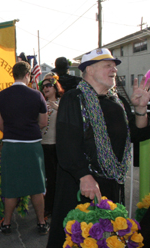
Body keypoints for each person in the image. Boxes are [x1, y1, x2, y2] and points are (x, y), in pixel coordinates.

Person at [47, 48, 150, 247]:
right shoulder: (74, 98)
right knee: (79, 237)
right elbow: (67, 144)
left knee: (106, 238)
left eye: (115, 66)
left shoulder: (116, 101)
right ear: (89, 70)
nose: (114, 69)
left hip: (110, 184)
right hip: (81, 186)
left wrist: (139, 111)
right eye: (108, 65)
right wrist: (84, 176)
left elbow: (136, 134)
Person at [0, 61, 49, 235]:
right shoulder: (37, 95)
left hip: (11, 145)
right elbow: (43, 122)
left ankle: (7, 223)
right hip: (32, 146)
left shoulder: (0, 96)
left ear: (13, 75)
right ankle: (41, 222)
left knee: (11, 187)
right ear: (27, 76)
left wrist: (13, 131)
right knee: (36, 186)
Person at [39, 72, 64, 218]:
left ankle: (52, 206)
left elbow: (70, 120)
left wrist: (57, 108)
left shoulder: (62, 103)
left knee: (54, 178)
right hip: (42, 145)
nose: (46, 88)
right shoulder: (41, 103)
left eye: (49, 85)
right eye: (44, 86)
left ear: (55, 86)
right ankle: (45, 206)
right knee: (45, 178)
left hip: (56, 146)